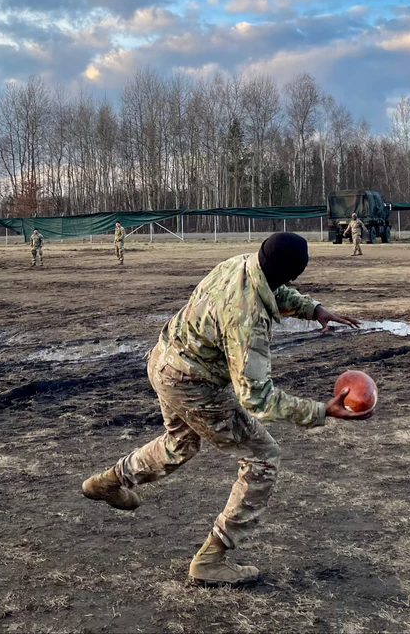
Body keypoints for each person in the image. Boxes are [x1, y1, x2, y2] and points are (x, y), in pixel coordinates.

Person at [81, 233, 370, 586]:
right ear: (293, 274)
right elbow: (257, 398)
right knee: (263, 456)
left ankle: (109, 482)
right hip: (192, 383)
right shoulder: (248, 319)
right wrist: (322, 411)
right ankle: (211, 560)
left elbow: (273, 290)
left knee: (179, 445)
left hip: (164, 361)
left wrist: (313, 309)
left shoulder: (242, 263)